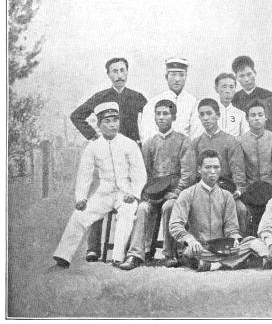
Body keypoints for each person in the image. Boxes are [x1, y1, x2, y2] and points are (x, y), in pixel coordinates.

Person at [69, 57, 147, 262]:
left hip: (131, 154)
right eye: (114, 71)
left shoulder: (138, 98)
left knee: (131, 200)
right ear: (109, 74)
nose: (119, 75)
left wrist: (142, 142)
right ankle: (93, 248)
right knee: (101, 194)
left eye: (122, 70)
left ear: (127, 72)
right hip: (107, 154)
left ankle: (131, 249)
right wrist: (93, 136)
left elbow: (149, 122)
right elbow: (76, 116)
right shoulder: (101, 96)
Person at [52, 102, 147, 268]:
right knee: (80, 215)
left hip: (125, 192)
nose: (112, 125)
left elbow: (139, 173)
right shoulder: (93, 147)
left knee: (126, 213)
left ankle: (118, 257)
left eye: (115, 120)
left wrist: (134, 193)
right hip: (104, 192)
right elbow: (84, 174)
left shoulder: (129, 144)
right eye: (107, 121)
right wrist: (81, 198)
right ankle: (63, 256)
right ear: (99, 124)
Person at [119, 100, 195, 270]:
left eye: (166, 114)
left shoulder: (183, 141)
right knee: (142, 208)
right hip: (153, 193)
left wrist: (176, 192)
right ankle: (137, 254)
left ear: (173, 117)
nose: (161, 117)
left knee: (169, 207)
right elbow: (142, 174)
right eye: (158, 114)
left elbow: (188, 173)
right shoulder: (149, 143)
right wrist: (145, 194)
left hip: (174, 192)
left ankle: (170, 254)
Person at [169, 150, 261, 272]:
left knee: (252, 242)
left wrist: (235, 240)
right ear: (199, 169)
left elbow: (231, 228)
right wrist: (190, 240)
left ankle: (214, 265)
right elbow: (175, 225)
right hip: (200, 247)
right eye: (208, 167)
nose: (213, 171)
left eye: (216, 167)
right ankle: (226, 263)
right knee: (190, 252)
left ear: (220, 169)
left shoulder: (227, 196)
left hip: (222, 248)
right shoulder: (187, 194)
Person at [192, 98, 248, 236]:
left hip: (226, 189)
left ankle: (240, 244)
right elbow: (194, 172)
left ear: (217, 115)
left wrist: (238, 190)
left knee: (241, 209)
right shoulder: (196, 143)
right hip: (202, 190)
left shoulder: (231, 141)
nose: (206, 118)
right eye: (202, 115)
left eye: (209, 113)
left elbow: (238, 171)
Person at [238, 99, 272, 235]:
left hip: (271, 188)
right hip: (250, 190)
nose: (257, 118)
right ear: (247, 119)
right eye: (253, 115)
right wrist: (243, 190)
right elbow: (239, 169)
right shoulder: (241, 141)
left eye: (260, 115)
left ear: (266, 117)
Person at [140, 58, 201, 142]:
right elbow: (147, 134)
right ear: (166, 77)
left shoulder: (193, 103)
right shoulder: (153, 102)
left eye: (181, 75)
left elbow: (196, 134)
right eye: (173, 75)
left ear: (186, 77)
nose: (177, 79)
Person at [213, 72, 249, 137]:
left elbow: (246, 138)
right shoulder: (209, 112)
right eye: (224, 87)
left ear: (235, 89)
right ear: (216, 89)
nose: (228, 91)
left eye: (231, 87)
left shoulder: (240, 114)